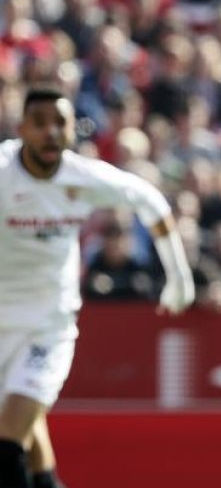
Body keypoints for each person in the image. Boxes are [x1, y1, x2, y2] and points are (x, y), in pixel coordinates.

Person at [0, 87, 195, 488]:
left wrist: (178, 274)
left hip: (47, 326)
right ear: (21, 129)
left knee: (6, 449)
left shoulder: (83, 177)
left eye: (61, 124)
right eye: (40, 123)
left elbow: (152, 202)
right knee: (21, 430)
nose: (51, 132)